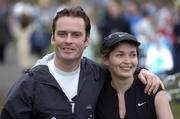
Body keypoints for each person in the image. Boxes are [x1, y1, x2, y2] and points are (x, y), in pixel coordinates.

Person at [1, 6, 164, 119]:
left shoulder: (97, 74)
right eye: (62, 34)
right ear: (53, 38)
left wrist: (141, 71)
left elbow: (120, 68)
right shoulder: (29, 84)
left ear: (86, 40)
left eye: (76, 35)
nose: (68, 40)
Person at [95, 32, 174, 119]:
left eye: (133, 55)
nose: (127, 61)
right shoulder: (97, 90)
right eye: (120, 55)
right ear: (105, 59)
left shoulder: (153, 88)